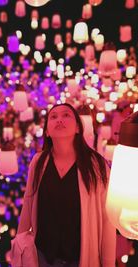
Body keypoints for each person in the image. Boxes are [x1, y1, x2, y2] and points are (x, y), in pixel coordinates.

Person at [15, 103, 116, 267]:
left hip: (80, 258)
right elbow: (28, 203)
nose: (59, 120)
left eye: (66, 115)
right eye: (53, 117)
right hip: (42, 256)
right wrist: (19, 247)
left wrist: (108, 263)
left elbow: (107, 220)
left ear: (78, 128)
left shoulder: (97, 165)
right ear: (47, 131)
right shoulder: (38, 161)